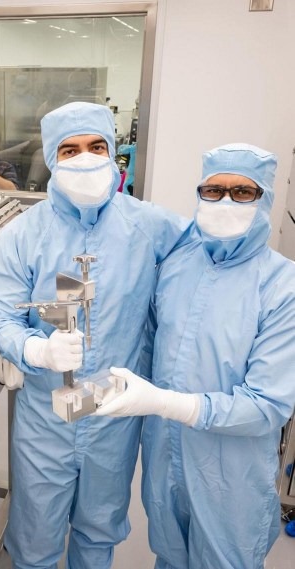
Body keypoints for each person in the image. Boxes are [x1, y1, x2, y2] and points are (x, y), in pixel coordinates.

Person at [0, 101, 192, 569]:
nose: (86, 158)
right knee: (35, 538)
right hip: (47, 415)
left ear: (114, 151)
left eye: (97, 146)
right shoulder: (21, 236)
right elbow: (3, 319)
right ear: (52, 159)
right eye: (71, 149)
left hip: (114, 412)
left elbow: (211, 265)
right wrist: (37, 349)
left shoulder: (152, 226)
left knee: (98, 533)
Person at [96, 143, 295, 569]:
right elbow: (147, 346)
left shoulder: (282, 287)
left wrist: (168, 403)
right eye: (213, 190)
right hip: (165, 459)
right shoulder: (176, 265)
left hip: (229, 480)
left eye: (243, 192)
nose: (225, 201)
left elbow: (268, 405)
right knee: (168, 557)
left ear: (266, 199)